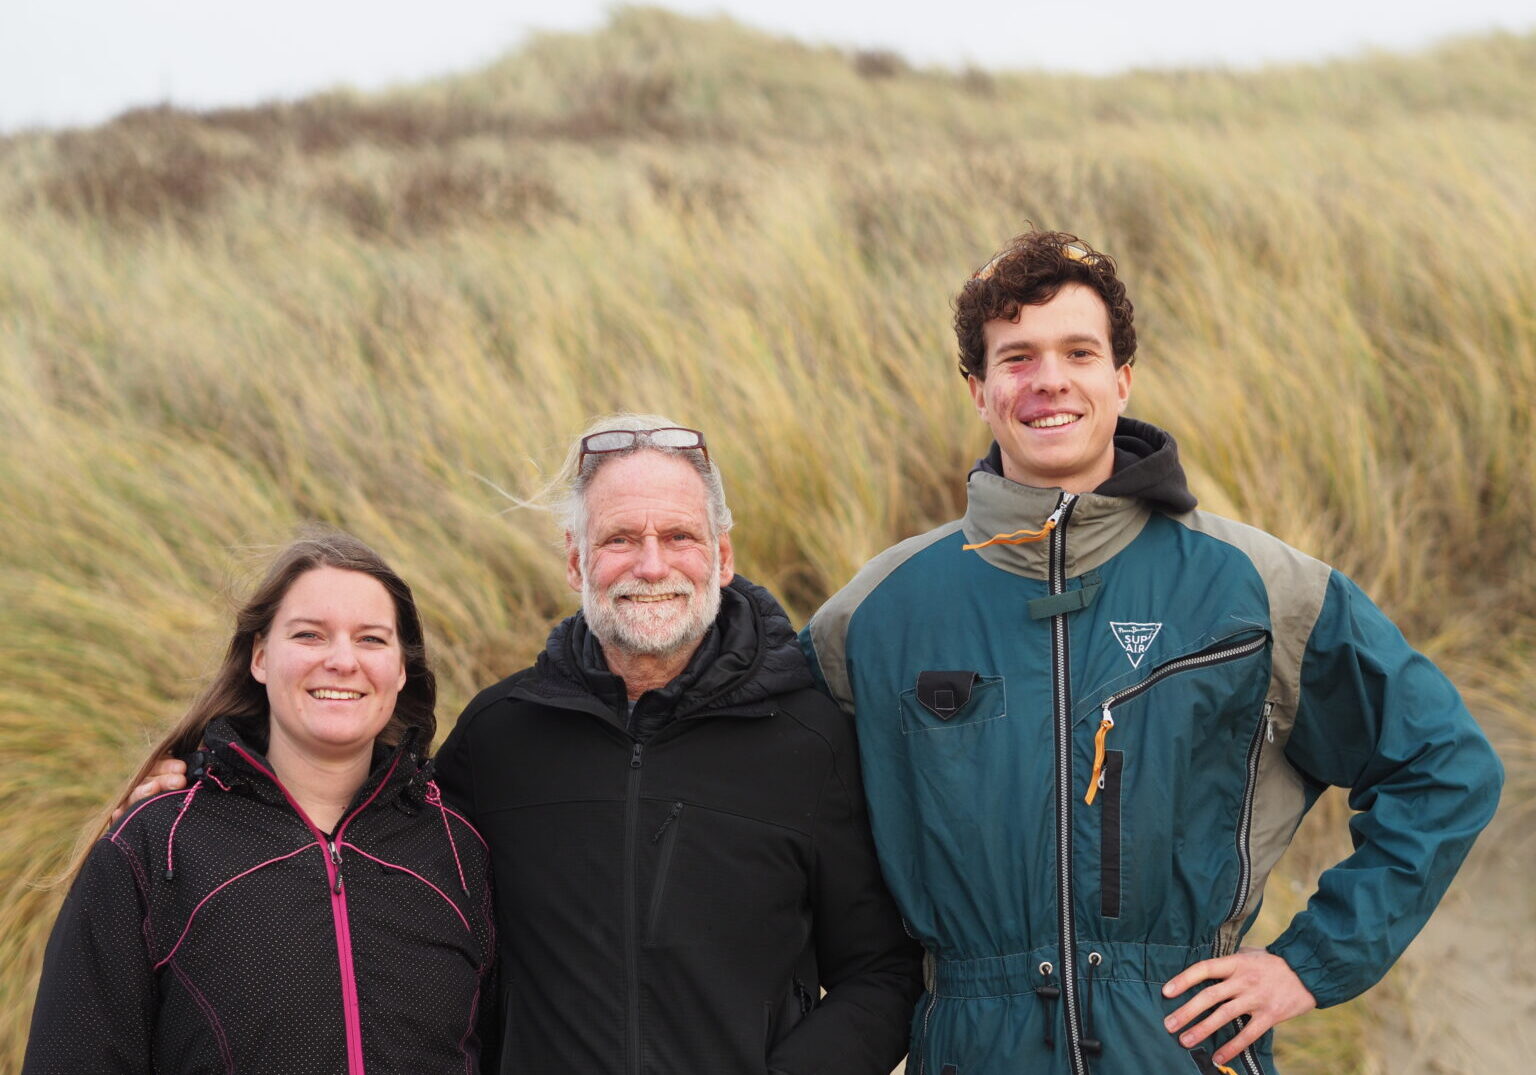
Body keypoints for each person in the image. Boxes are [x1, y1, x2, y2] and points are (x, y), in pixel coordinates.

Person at [802, 231, 1503, 1075]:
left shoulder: (1256, 586)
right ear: (979, 390)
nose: (1048, 379)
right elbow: (770, 816)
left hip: (1180, 1044)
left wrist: (1305, 965)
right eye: (1016, 357)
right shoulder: (877, 613)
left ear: (1121, 378)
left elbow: (1445, 762)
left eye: (1078, 351)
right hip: (970, 1045)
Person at [432, 414, 922, 1074]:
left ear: (722, 555)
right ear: (576, 559)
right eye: (620, 538)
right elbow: (431, 955)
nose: (652, 563)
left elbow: (881, 971)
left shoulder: (810, 738)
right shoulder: (496, 737)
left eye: (679, 535)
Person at [24, 532, 495, 1074]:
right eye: (310, 635)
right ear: (261, 657)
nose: (343, 661)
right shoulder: (157, 846)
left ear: (402, 669)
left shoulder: (459, 851)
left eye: (371, 639)